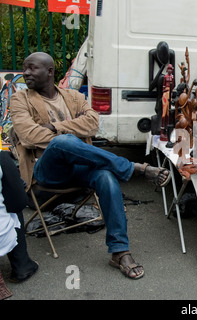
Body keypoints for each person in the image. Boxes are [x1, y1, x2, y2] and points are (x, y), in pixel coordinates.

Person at [9, 52, 171, 280]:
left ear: (50, 72)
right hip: (46, 172)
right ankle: (135, 168)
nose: (25, 73)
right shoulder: (20, 99)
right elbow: (28, 135)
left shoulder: (73, 96)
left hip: (78, 169)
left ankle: (119, 251)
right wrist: (66, 133)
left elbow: (93, 124)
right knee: (62, 143)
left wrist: (55, 127)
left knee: (105, 176)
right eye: (25, 68)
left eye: (32, 68)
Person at [0, 151, 39, 288]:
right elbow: (19, 203)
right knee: (14, 206)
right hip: (2, 238)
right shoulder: (2, 158)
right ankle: (22, 266)